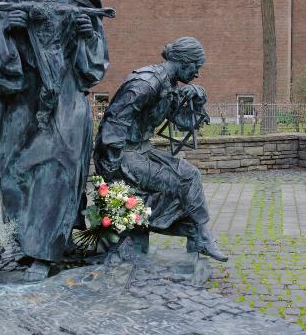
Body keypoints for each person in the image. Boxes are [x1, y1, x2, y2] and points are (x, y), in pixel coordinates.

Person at [0, 0, 110, 281]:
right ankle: (22, 245)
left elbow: (94, 62)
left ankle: (46, 250)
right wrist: (6, 31)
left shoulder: (77, 1)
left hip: (66, 99)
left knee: (58, 168)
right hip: (21, 100)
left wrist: (87, 36)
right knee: (15, 172)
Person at [93, 36, 227, 262]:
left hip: (141, 150)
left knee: (190, 174)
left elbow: (184, 123)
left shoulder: (170, 86)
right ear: (185, 62)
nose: (197, 73)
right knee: (178, 182)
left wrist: (197, 96)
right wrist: (112, 167)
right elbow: (115, 120)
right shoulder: (147, 82)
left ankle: (199, 236)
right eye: (196, 68)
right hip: (122, 154)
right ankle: (197, 234)